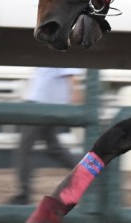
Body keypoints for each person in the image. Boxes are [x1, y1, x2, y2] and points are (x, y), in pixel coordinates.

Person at [8, 66, 83, 204]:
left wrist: (74, 95)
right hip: (45, 103)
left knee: (25, 148)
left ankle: (24, 193)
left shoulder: (61, 47)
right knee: (53, 147)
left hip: (43, 104)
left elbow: (71, 74)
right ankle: (86, 176)